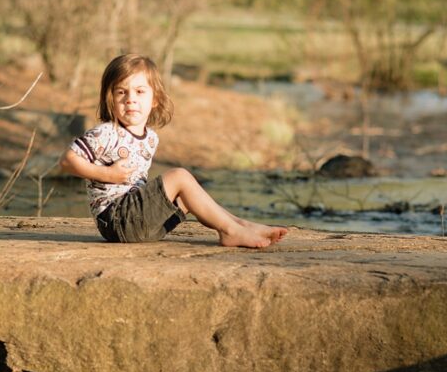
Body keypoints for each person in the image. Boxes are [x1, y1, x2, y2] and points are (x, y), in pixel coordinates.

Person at [59, 53, 289, 248]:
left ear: (155, 99)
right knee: (179, 176)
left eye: (140, 92)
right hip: (117, 219)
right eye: (121, 92)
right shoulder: (106, 133)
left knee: (190, 197)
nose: (130, 100)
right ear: (109, 98)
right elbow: (68, 161)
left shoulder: (150, 138)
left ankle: (240, 225)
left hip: (144, 226)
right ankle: (231, 230)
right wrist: (107, 175)